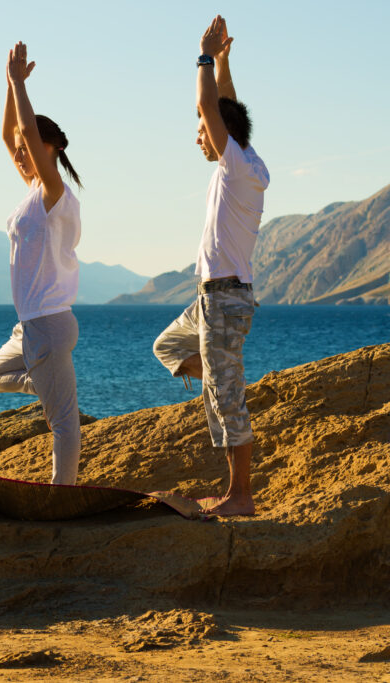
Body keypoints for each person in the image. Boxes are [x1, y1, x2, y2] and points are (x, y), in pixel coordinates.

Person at [153, 16, 270, 516]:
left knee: (225, 402)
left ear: (221, 134)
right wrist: (224, 62)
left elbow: (211, 107)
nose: (199, 136)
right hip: (212, 300)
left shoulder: (237, 165)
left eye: (202, 131)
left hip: (223, 298)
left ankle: (240, 497)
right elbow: (225, 108)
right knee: (168, 345)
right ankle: (224, 378)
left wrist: (202, 56)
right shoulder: (247, 157)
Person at [0, 41, 83, 485]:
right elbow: (9, 135)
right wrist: (8, 85)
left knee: (63, 423)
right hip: (30, 325)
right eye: (20, 150)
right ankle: (47, 385)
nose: (19, 153)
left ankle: (62, 492)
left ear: (48, 149)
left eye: (29, 146)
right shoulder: (32, 192)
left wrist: (22, 85)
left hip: (48, 322)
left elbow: (21, 128)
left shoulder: (53, 193)